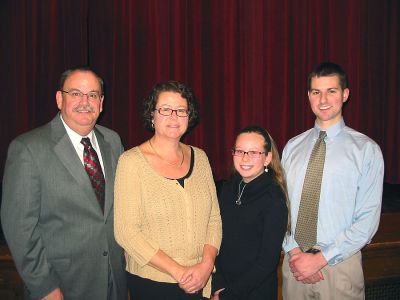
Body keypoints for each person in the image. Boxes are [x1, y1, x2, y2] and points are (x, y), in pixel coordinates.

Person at [1, 66, 127, 300]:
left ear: (101, 102)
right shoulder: (28, 148)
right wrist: (44, 286)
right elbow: (19, 227)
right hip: (62, 285)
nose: (85, 101)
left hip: (114, 280)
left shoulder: (112, 141)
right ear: (60, 99)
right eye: (76, 93)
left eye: (92, 95)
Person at [281, 62, 384, 299]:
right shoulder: (292, 147)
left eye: (332, 91)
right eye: (316, 92)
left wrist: (320, 259)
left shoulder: (366, 150)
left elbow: (367, 221)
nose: (323, 99)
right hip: (294, 265)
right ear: (309, 96)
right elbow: (281, 207)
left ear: (345, 94)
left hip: (339, 267)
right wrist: (294, 252)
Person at [114, 81, 222, 299]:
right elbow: (126, 231)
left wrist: (206, 265)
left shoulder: (200, 158)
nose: (174, 117)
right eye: (165, 109)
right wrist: (179, 272)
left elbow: (214, 218)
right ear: (152, 116)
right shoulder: (131, 162)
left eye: (181, 110)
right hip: (153, 283)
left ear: (189, 117)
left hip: (201, 279)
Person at [211, 125, 289, 300]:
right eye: (240, 151)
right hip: (223, 287)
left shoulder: (274, 198)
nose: (245, 158)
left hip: (254, 292)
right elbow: (215, 239)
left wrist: (227, 296)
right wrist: (218, 285)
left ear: (267, 158)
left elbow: (266, 263)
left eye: (254, 152)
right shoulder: (227, 189)